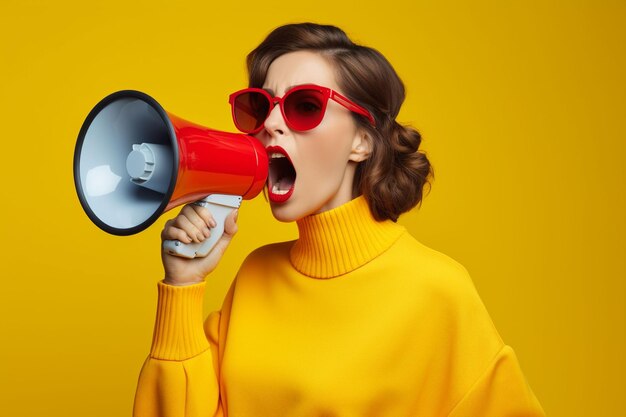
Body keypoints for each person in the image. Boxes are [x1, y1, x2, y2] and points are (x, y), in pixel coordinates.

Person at [133, 23, 545, 417]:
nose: (271, 124)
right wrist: (183, 286)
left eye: (305, 106)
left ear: (361, 141)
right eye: (260, 107)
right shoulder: (255, 274)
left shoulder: (438, 291)